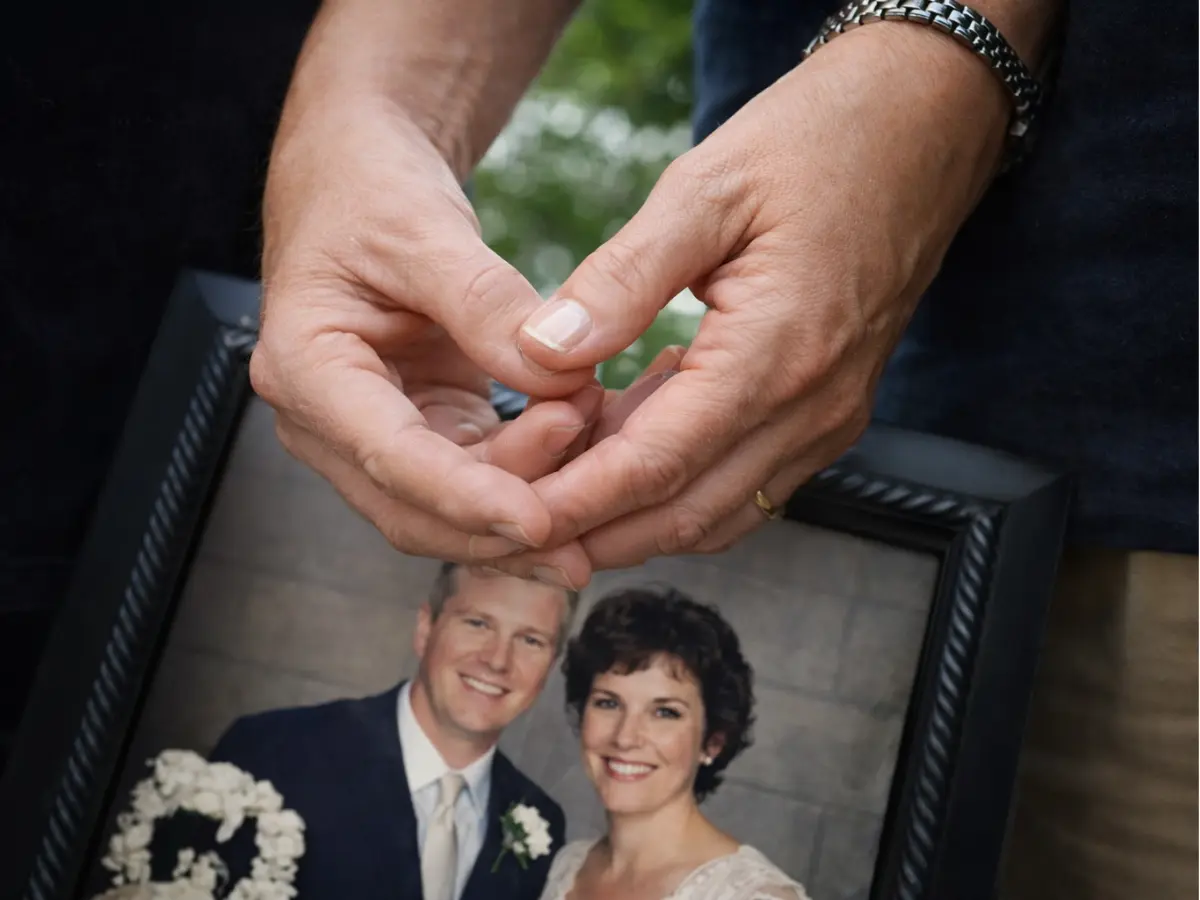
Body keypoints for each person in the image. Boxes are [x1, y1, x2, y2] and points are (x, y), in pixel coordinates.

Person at [241, 0, 1196, 896]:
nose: (626, 733)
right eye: (616, 699)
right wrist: (372, 110)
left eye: (663, 708)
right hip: (841, 401)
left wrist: (949, 48)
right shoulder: (534, 838)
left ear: (716, 737)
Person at [192, 563, 579, 900]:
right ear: (426, 629)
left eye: (530, 640)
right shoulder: (273, 752)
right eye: (477, 623)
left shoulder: (539, 822)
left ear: (550, 666)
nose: (497, 660)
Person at [539, 585, 807, 900]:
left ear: (712, 742)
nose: (625, 737)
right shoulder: (568, 866)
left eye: (665, 712)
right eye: (608, 703)